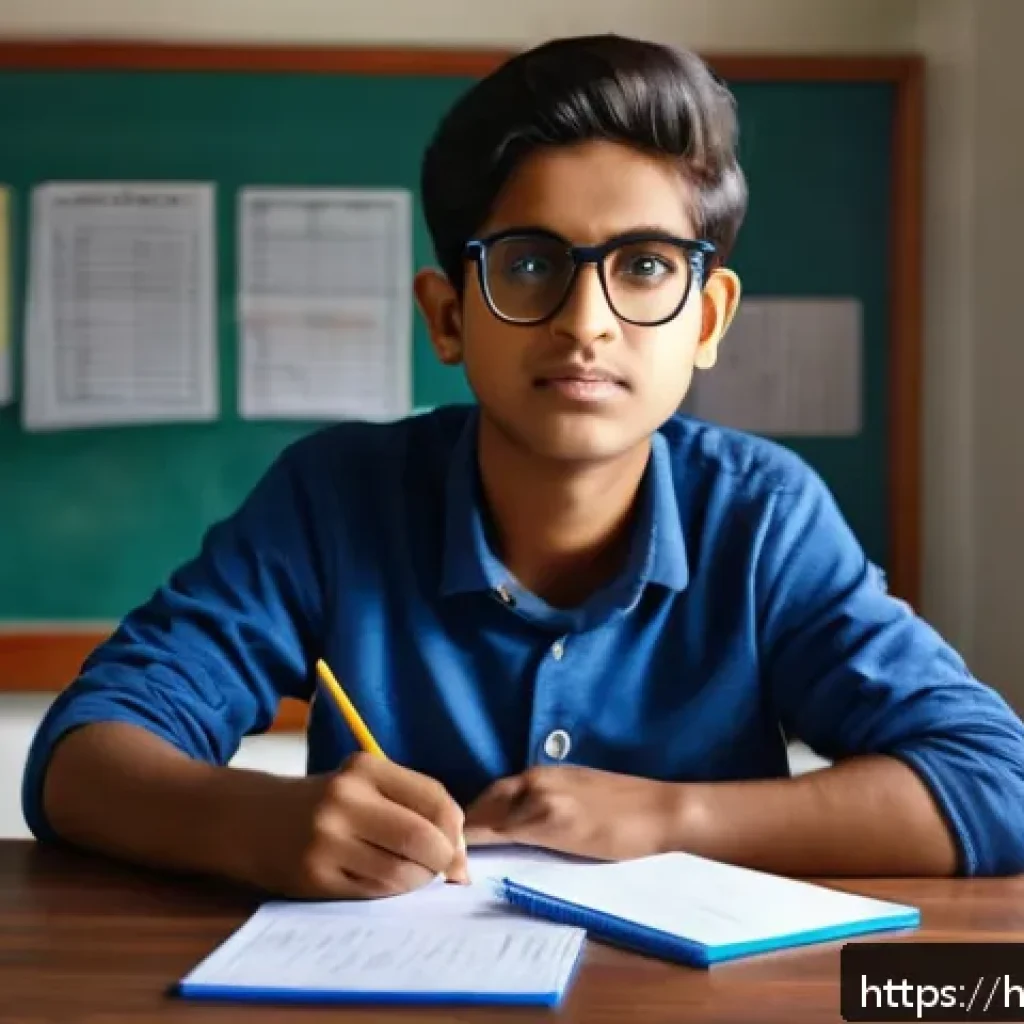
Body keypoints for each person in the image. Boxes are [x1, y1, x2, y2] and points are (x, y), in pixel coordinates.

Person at [23, 34, 1024, 899]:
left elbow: (994, 784)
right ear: (449, 314)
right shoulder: (334, 499)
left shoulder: (761, 518)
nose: (584, 324)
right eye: (531, 264)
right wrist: (252, 822)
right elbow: (84, 754)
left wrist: (672, 820)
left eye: (643, 266)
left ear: (706, 319)